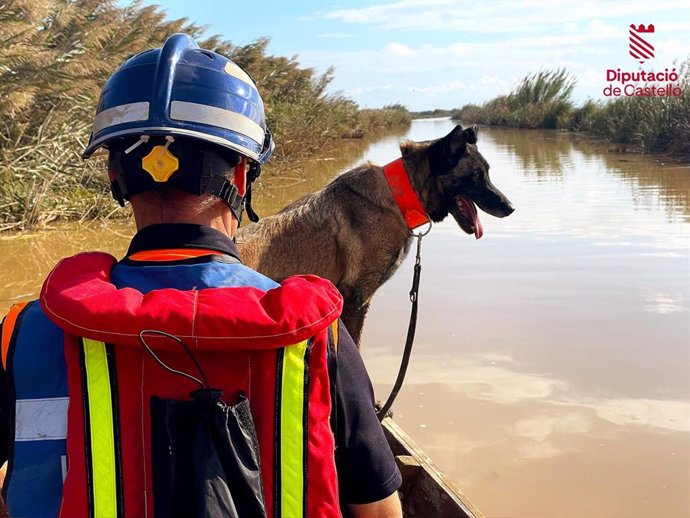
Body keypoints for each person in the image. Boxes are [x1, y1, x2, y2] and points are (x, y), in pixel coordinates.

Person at [0, 34, 402, 518]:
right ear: (240, 178)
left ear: (114, 176)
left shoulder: (22, 333)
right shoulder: (318, 337)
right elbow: (379, 511)